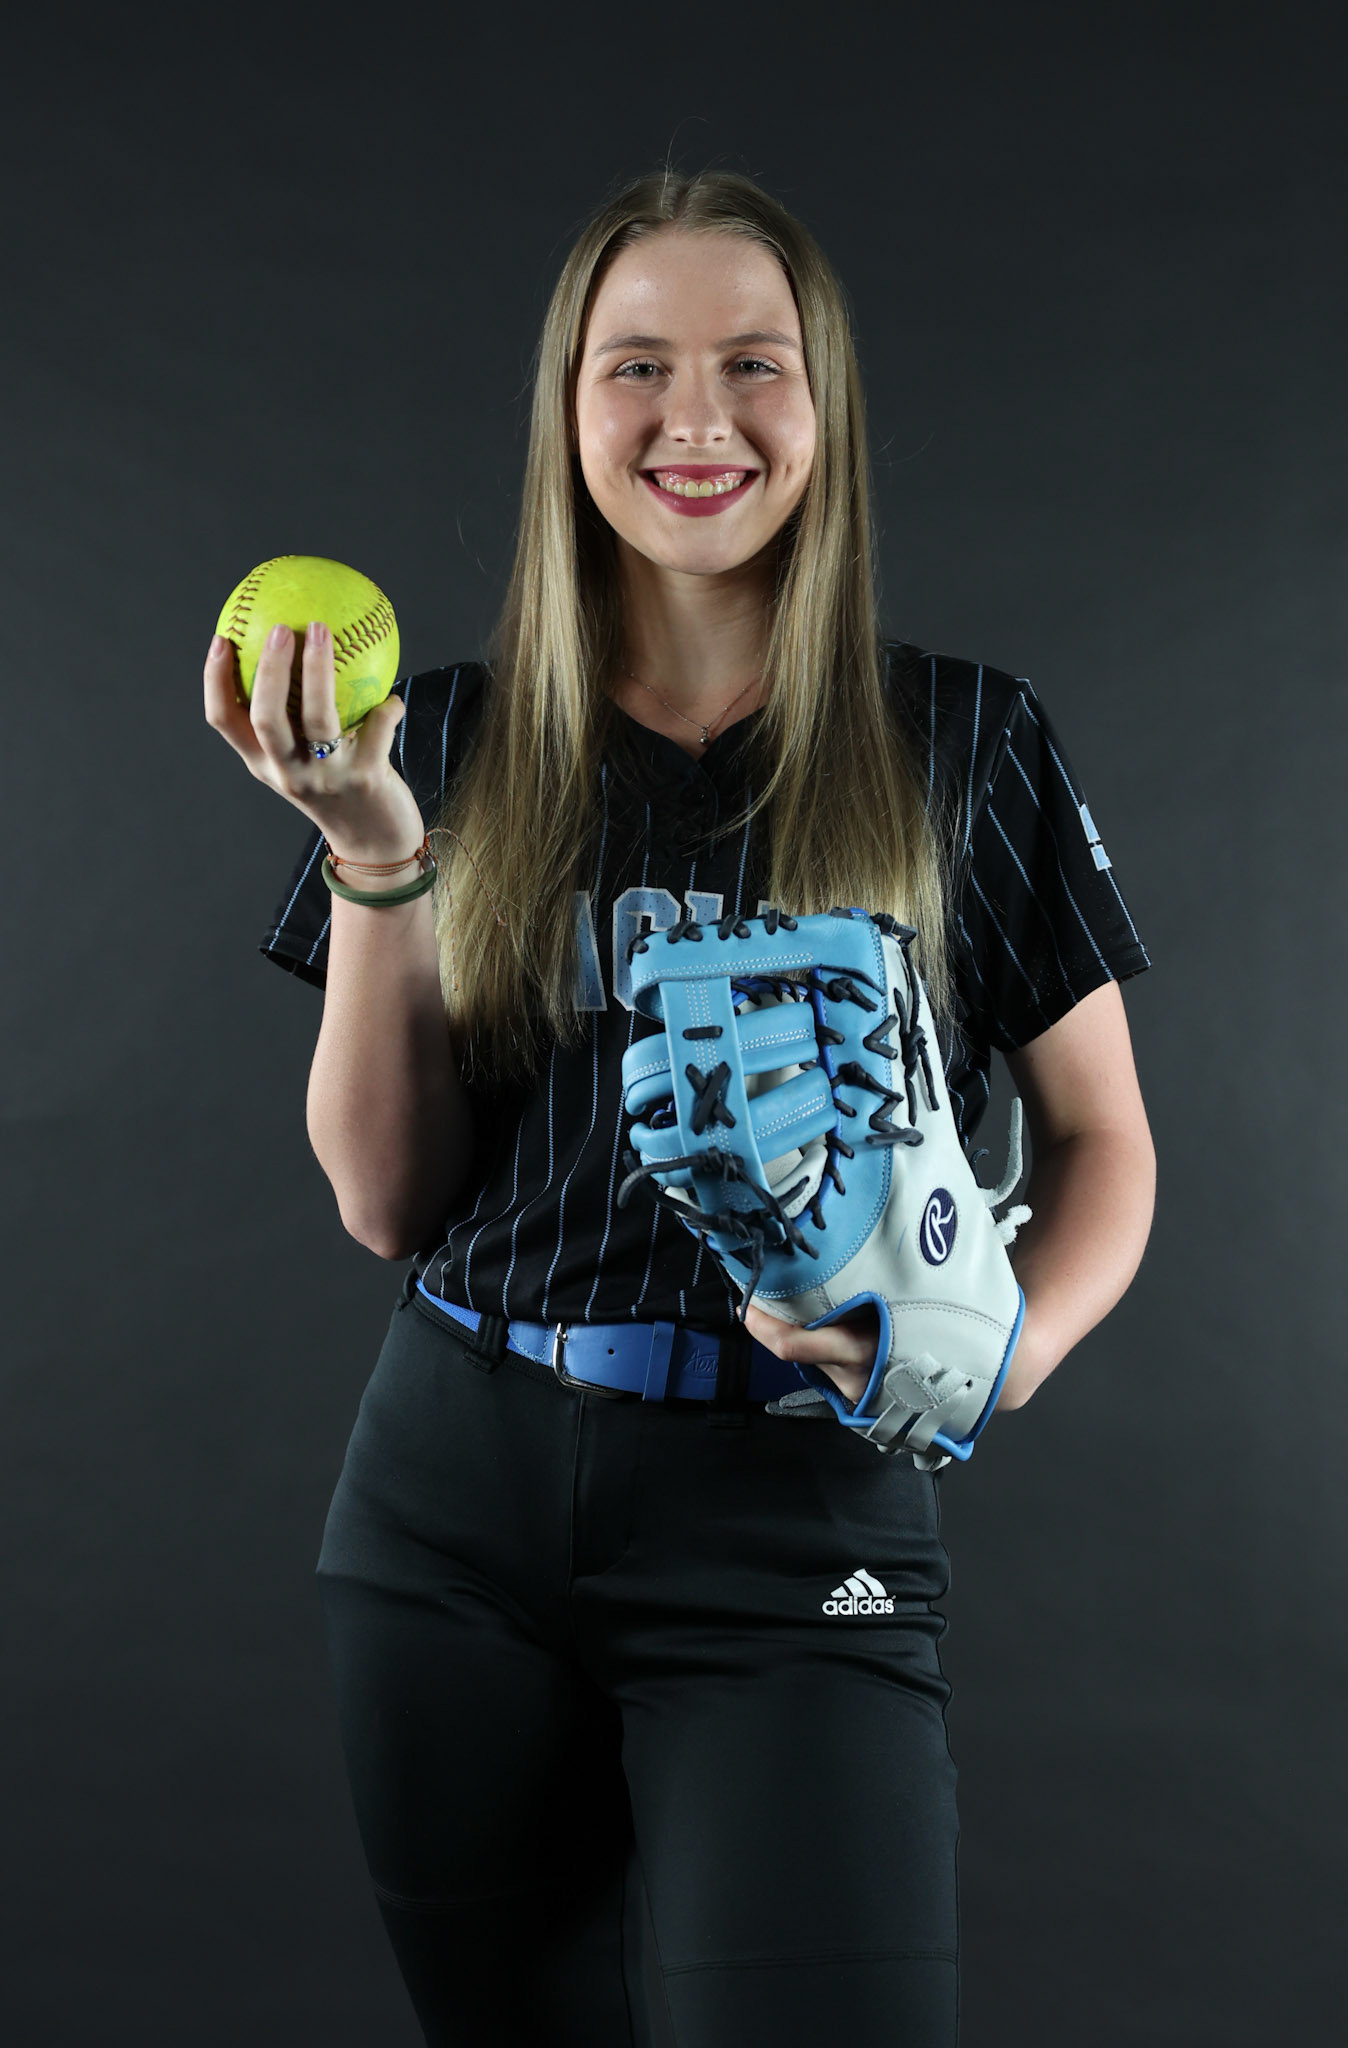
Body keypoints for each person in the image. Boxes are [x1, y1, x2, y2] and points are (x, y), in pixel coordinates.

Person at [204, 168, 1156, 2048]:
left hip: (800, 1505)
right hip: (450, 1508)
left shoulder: (968, 737)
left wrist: (1000, 1350)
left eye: (752, 364)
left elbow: (1108, 1140)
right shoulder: (446, 742)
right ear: (569, 409)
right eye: (634, 365)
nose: (695, 419)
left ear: (826, 413)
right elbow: (391, 1205)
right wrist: (377, 855)